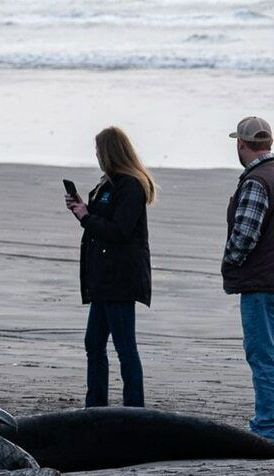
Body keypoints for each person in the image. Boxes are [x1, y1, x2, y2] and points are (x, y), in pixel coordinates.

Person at [64, 126, 156, 408]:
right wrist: (83, 209)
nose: (95, 155)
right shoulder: (109, 183)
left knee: (125, 347)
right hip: (103, 279)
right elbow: (102, 220)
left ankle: (134, 407)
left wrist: (85, 217)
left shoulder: (130, 186)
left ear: (109, 153)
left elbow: (120, 231)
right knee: (93, 343)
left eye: (98, 151)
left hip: (120, 279)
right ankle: (95, 405)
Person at [222, 116, 274, 441]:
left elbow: (245, 234)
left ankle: (267, 427)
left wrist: (231, 261)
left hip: (261, 283)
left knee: (262, 354)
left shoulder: (257, 181)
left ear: (241, 144)